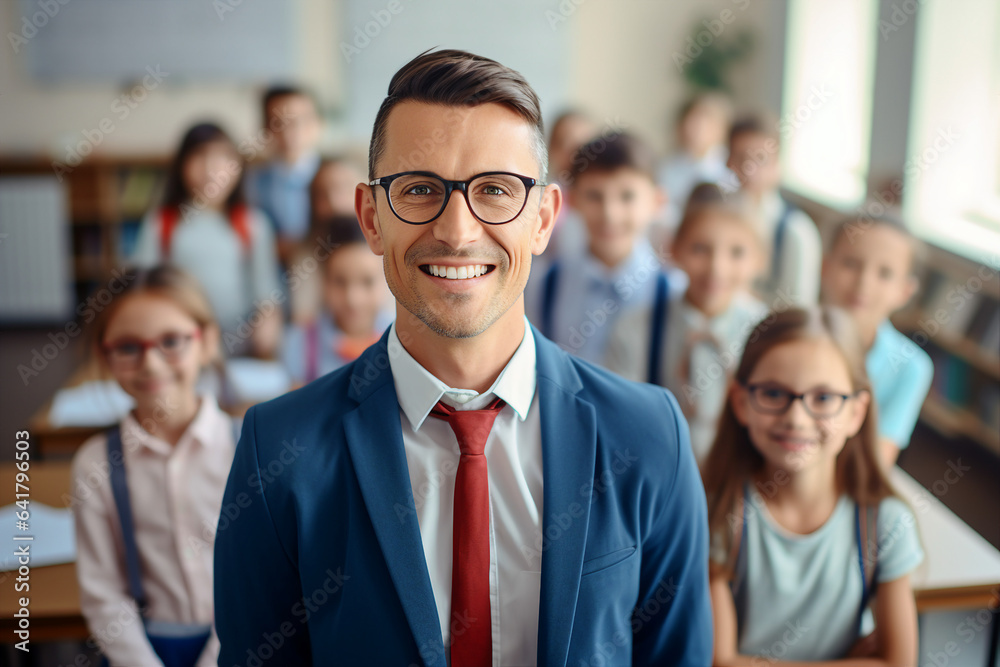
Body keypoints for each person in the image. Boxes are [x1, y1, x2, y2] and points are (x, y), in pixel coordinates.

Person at [214, 49, 712, 666]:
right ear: (370, 217)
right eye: (419, 189)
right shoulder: (278, 450)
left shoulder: (647, 433)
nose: (456, 230)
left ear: (543, 219)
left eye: (496, 190)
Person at [703, 307, 923, 665]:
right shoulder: (717, 511)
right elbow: (718, 661)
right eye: (773, 394)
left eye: (823, 399)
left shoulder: (886, 523)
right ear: (741, 402)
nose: (795, 418)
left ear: (856, 413)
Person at [71, 265, 235, 667]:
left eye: (171, 341)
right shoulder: (95, 464)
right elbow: (103, 594)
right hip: (144, 652)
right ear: (103, 355)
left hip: (240, 642)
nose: (152, 363)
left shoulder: (247, 447)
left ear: (208, 341)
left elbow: (270, 578)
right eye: (128, 347)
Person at [606, 183, 766, 462]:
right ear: (675, 249)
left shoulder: (766, 333)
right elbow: (617, 416)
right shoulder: (636, 328)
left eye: (737, 253)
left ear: (759, 261)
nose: (717, 267)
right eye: (700, 249)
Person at [525, 131, 684, 366]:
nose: (610, 214)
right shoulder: (539, 284)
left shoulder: (675, 291)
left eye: (627, 196)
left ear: (657, 202)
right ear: (572, 201)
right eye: (594, 196)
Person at [130, 122, 282, 358]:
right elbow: (141, 286)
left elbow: (266, 294)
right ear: (181, 166)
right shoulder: (161, 223)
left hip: (241, 345)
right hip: (177, 343)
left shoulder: (253, 224)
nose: (211, 168)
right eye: (199, 156)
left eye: (222, 157)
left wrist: (268, 329)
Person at [821, 213, 933, 469]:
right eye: (851, 263)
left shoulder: (911, 367)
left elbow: (876, 462)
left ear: (905, 291)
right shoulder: (788, 341)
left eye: (884, 273)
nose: (863, 283)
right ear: (825, 267)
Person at [281, 215, 392, 386]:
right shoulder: (299, 344)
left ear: (388, 279)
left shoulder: (406, 344)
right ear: (323, 281)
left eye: (367, 282)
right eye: (340, 281)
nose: (353, 299)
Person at [726, 113, 822, 306]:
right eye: (741, 157)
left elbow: (797, 307)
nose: (750, 169)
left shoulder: (796, 230)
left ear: (778, 165)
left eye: (761, 159)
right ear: (728, 161)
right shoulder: (716, 214)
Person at [245, 85, 323, 266]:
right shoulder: (252, 184)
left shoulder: (335, 178)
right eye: (278, 124)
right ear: (264, 129)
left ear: (317, 124)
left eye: (299, 121)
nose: (289, 133)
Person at [656, 93, 734, 232]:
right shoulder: (665, 167)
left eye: (705, 121)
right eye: (692, 119)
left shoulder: (729, 169)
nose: (696, 127)